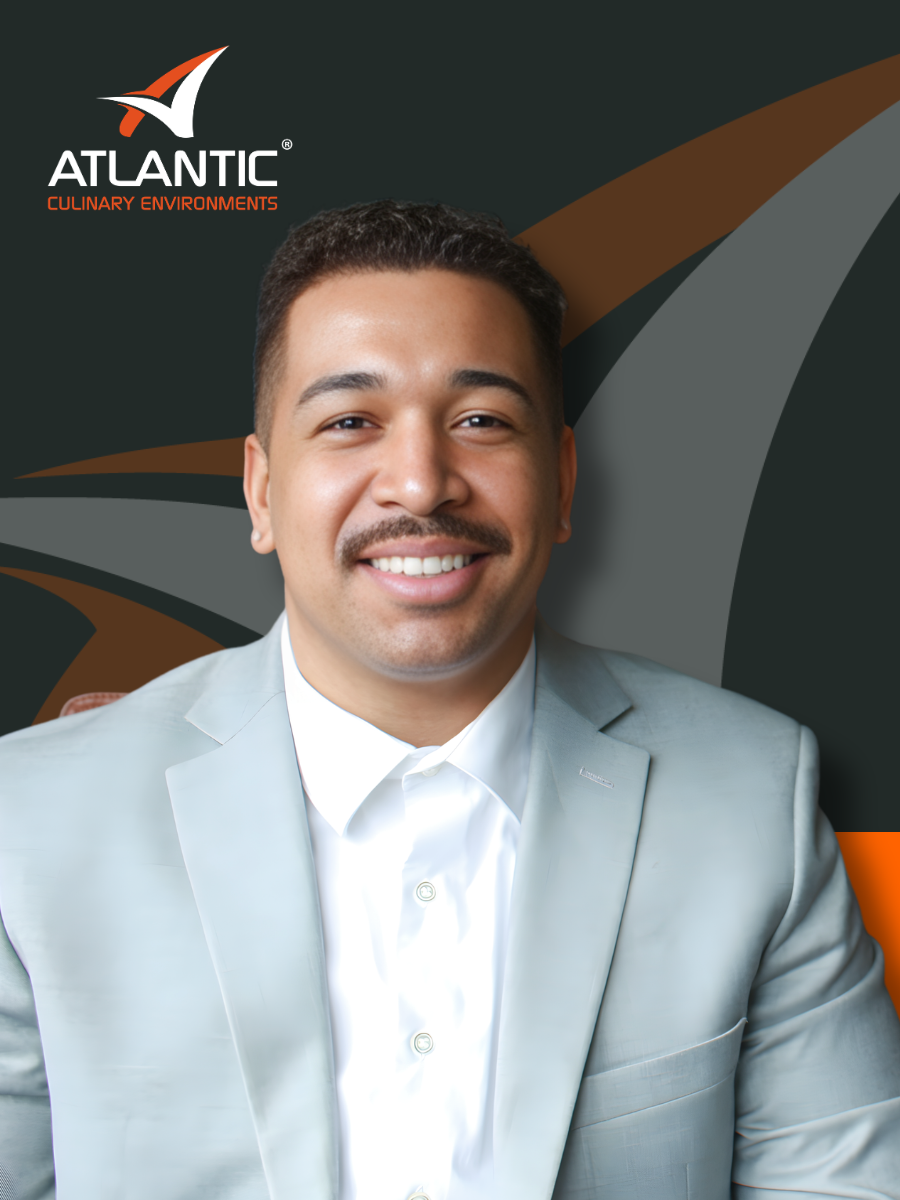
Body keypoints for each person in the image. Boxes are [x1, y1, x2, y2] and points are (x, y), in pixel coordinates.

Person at [0, 200, 897, 1200]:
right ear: (259, 492)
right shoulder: (30, 822)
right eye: (350, 421)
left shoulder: (750, 796)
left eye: (480, 421)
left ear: (560, 482)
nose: (421, 484)